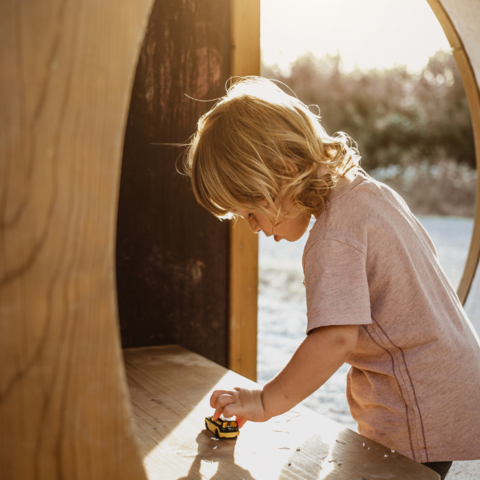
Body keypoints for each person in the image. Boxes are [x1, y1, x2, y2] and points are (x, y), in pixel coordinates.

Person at [184, 77, 480, 479]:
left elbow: (335, 338)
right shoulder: (370, 195)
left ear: (284, 171)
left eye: (251, 209)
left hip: (416, 405)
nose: (252, 226)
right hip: (449, 383)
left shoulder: (333, 236)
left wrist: (265, 400)